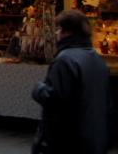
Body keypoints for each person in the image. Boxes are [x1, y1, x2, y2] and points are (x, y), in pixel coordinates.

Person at [31, 9, 110, 154]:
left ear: (67, 32)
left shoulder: (65, 60)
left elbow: (55, 99)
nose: (57, 33)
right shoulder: (97, 59)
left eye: (59, 29)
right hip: (93, 137)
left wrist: (39, 89)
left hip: (68, 139)